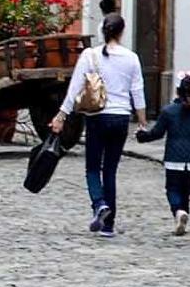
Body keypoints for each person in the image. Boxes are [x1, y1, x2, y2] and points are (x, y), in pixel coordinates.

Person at [51, 13, 146, 238]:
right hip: (121, 118)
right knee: (110, 171)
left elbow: (74, 88)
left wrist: (61, 115)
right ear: (121, 32)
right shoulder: (131, 57)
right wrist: (142, 121)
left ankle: (99, 204)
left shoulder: (90, 55)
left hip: (97, 118)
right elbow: (137, 91)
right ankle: (109, 226)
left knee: (93, 167)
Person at [136, 73, 190, 235]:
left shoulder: (169, 111)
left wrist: (141, 136)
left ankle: (178, 212)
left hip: (174, 159)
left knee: (173, 189)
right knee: (186, 191)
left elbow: (157, 133)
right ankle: (183, 215)